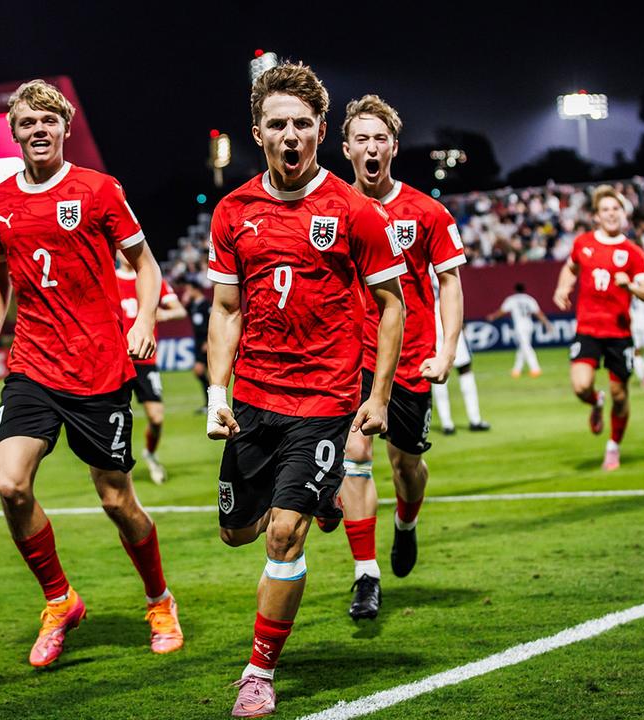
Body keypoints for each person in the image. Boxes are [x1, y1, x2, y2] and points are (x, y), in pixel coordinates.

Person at [205, 63, 406, 717]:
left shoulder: (353, 212)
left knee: (283, 535)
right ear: (257, 131)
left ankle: (259, 673)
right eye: (277, 124)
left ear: (322, 130)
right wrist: (216, 389)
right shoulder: (233, 211)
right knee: (238, 533)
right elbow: (226, 309)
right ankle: (316, 497)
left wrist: (375, 398)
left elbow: (391, 303)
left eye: (301, 124)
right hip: (254, 399)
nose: (290, 135)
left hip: (323, 400)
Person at [0, 79, 182, 668]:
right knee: (11, 485)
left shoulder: (98, 190)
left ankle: (159, 600)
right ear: (13, 134)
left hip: (100, 368)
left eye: (48, 121)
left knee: (117, 501)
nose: (38, 130)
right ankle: (59, 599)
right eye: (26, 123)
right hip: (33, 364)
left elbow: (145, 265)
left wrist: (143, 320)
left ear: (64, 128)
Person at [334, 94, 464, 621]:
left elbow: (449, 282)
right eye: (360, 138)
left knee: (406, 466)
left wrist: (446, 349)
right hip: (346, 359)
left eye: (379, 138)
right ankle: (366, 576)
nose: (370, 146)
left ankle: (406, 524)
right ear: (345, 148)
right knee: (355, 456)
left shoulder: (427, 212)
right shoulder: (329, 207)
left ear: (393, 146)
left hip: (409, 360)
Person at [553, 186, 644, 471]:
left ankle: (613, 447)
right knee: (580, 386)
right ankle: (595, 400)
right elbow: (570, 267)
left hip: (619, 334)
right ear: (596, 216)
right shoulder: (583, 244)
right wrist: (564, 287)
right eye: (606, 210)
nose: (611, 214)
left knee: (620, 395)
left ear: (623, 215)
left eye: (616, 209)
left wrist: (633, 286)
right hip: (587, 329)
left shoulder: (633, 253)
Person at [116, 256, 186, 484]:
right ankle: (109, 465)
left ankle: (151, 454)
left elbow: (179, 310)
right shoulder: (109, 279)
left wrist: (162, 314)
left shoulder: (151, 279)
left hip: (146, 359)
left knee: (156, 418)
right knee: (112, 419)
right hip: (118, 362)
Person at [430, 278, 491, 434]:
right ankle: (474, 419)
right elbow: (455, 291)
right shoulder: (439, 259)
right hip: (448, 315)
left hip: (430, 318)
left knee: (437, 371)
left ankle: (447, 424)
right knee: (464, 369)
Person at [486, 282, 553, 378]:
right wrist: (546, 323)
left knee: (526, 347)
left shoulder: (512, 299)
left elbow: (502, 311)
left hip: (519, 326)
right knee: (523, 347)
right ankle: (516, 370)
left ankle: (535, 368)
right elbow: (538, 313)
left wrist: (493, 317)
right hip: (529, 325)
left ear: (515, 290)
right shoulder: (529, 299)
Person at [178, 276, 212, 413]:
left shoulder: (206, 305)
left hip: (206, 342)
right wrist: (184, 301)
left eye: (188, 289)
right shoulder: (192, 305)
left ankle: (210, 404)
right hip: (198, 343)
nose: (186, 292)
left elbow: (213, 324)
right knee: (202, 373)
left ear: (194, 289)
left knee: (200, 371)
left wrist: (209, 341)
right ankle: (210, 404)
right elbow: (180, 312)